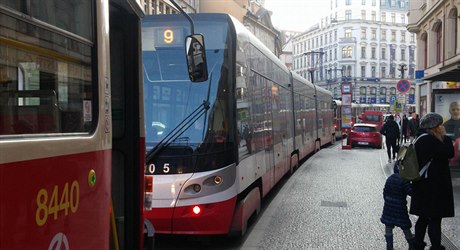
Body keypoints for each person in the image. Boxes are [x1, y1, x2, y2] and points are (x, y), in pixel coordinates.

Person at [410, 112, 455, 250]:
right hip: (438, 187)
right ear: (438, 127)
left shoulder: (419, 140)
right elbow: (450, 153)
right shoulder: (444, 141)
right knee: (435, 219)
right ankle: (436, 246)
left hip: (421, 184)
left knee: (423, 217)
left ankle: (417, 244)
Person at [381, 164, 415, 250]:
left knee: (388, 227)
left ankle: (389, 246)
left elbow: (385, 192)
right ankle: (411, 243)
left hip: (388, 208)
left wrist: (388, 201)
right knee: (405, 226)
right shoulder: (404, 180)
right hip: (400, 208)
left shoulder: (390, 178)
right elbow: (410, 192)